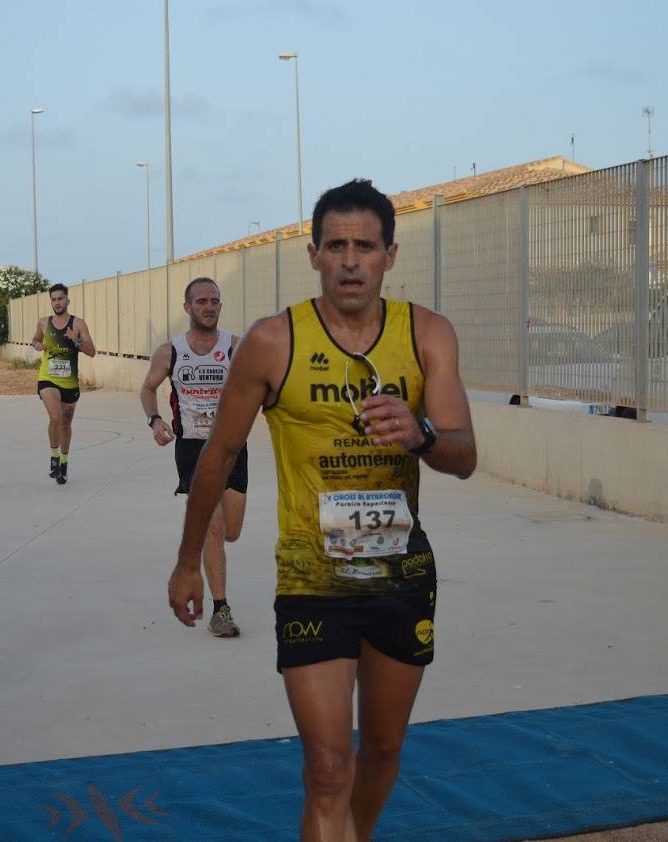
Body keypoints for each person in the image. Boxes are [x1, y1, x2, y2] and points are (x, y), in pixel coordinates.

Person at [167, 179, 477, 841]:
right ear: (313, 254)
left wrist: (421, 434)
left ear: (390, 255)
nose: (351, 261)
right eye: (336, 246)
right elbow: (217, 456)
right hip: (314, 580)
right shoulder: (273, 341)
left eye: (365, 246)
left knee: (384, 750)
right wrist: (187, 561)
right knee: (329, 765)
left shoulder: (428, 335)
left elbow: (464, 453)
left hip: (399, 574)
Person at [140, 277, 247, 638]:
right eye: (201, 301)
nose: (209, 306)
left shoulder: (235, 346)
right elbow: (148, 388)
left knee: (231, 530)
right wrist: (154, 419)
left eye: (215, 300)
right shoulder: (170, 351)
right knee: (213, 527)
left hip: (232, 448)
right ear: (187, 308)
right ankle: (221, 610)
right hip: (192, 451)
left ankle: (214, 562)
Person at [30, 283, 95, 485]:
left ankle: (64, 463)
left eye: (60, 299)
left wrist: (76, 340)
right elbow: (35, 339)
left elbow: (92, 351)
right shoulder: (43, 322)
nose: (57, 302)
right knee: (55, 416)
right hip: (47, 378)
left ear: (67, 300)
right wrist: (37, 344)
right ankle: (54, 456)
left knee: (66, 424)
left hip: (70, 383)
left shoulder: (78, 324)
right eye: (53, 299)